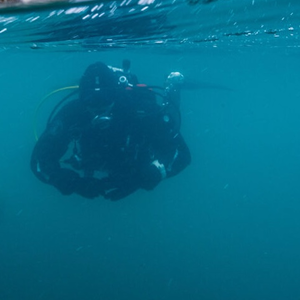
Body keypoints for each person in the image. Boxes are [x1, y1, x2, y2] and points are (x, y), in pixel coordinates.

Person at [30, 60, 190, 200]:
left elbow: (181, 155)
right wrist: (67, 181)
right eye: (90, 99)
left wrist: (144, 178)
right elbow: (40, 158)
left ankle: (173, 88)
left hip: (136, 163)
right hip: (99, 161)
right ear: (81, 98)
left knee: (170, 119)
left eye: (105, 98)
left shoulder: (140, 110)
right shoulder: (73, 113)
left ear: (115, 94)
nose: (98, 106)